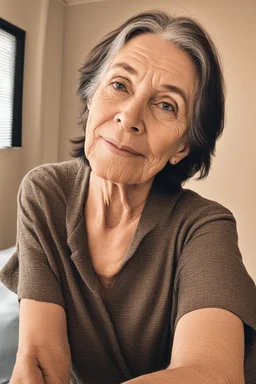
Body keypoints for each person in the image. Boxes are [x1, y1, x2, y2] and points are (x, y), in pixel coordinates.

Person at [0, 9, 255, 384]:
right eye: (120, 85)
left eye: (166, 105)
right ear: (90, 97)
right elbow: (39, 357)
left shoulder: (204, 227)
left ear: (182, 147)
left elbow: (212, 373)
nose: (130, 116)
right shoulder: (44, 192)